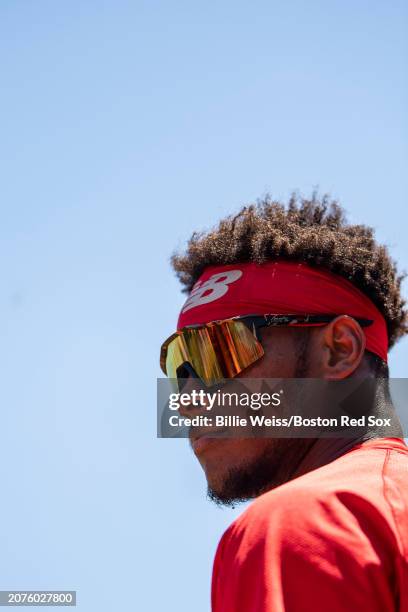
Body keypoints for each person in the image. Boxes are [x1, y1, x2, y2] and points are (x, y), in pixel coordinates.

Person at [160, 195, 408, 611]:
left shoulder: (304, 523)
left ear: (339, 349)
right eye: (179, 369)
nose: (189, 399)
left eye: (218, 352)